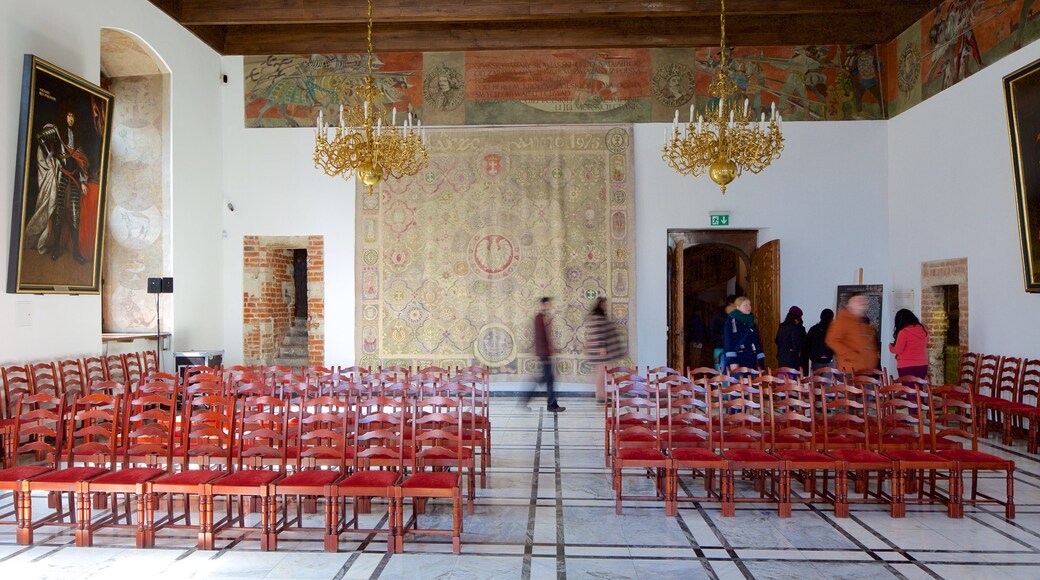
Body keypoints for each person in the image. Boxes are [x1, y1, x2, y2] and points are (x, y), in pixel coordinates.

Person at [25, 102, 90, 263]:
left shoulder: (76, 138)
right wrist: (50, 156)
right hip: (61, 177)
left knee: (75, 215)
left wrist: (83, 181)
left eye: (73, 116)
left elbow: (80, 161)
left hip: (74, 179)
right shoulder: (57, 132)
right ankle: (55, 248)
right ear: (64, 116)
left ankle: (76, 253)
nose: (71, 119)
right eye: (69, 115)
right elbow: (40, 138)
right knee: (58, 213)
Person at [525, 297, 565, 412]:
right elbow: (540, 337)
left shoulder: (544, 318)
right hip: (544, 354)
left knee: (546, 379)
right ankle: (551, 405)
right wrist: (545, 354)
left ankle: (526, 399)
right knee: (548, 379)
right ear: (542, 305)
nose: (549, 306)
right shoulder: (539, 318)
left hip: (545, 353)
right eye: (547, 304)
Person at [825, 293, 880, 373]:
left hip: (868, 370)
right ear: (850, 304)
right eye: (858, 300)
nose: (862, 303)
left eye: (864, 301)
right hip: (850, 369)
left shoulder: (866, 323)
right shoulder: (842, 320)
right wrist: (850, 354)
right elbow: (831, 340)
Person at [585, 297, 625, 402]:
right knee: (602, 373)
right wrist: (602, 347)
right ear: (600, 305)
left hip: (603, 352)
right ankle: (600, 396)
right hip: (601, 353)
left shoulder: (599, 317)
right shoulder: (597, 318)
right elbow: (598, 333)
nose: (606, 306)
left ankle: (602, 395)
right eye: (605, 304)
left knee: (604, 373)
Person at [724, 296, 765, 372]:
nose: (748, 307)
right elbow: (728, 341)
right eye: (745, 305)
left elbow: (757, 342)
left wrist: (761, 362)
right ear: (738, 307)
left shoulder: (751, 322)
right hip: (738, 358)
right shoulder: (731, 322)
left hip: (751, 358)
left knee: (752, 379)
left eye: (749, 305)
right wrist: (732, 361)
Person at [890, 309, 929, 380]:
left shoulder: (903, 332)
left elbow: (898, 350)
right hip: (922, 364)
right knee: (919, 386)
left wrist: (891, 347)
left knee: (907, 387)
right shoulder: (924, 330)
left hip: (906, 365)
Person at [774, 305, 807, 374]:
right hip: (792, 359)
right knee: (792, 379)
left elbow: (777, 340)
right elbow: (797, 345)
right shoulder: (795, 328)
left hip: (781, 357)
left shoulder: (782, 326)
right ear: (796, 318)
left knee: (782, 378)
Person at [710, 295, 737, 369]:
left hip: (733, 348)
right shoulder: (718, 316)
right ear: (731, 304)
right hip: (720, 346)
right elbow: (713, 332)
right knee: (719, 368)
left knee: (733, 370)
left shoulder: (736, 316)